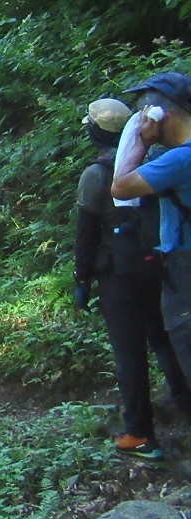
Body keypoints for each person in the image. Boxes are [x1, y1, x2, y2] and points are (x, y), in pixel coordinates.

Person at [77, 97, 191, 460]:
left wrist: (81, 279)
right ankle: (186, 411)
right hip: (160, 266)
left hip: (119, 274)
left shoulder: (97, 175)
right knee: (166, 342)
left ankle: (140, 433)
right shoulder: (159, 163)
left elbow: (86, 233)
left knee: (129, 353)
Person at [111, 71, 191, 392]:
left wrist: (141, 141)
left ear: (161, 115)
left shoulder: (179, 160)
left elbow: (120, 187)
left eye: (145, 112)